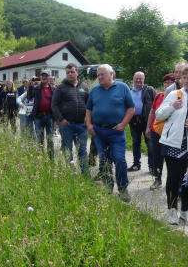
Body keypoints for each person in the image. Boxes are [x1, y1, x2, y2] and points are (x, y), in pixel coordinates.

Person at [86, 64, 135, 202]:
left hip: (116, 132)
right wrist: (89, 124)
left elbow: (131, 107)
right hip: (99, 132)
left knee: (119, 160)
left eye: (102, 74)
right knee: (104, 160)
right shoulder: (95, 90)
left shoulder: (123, 87)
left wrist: (123, 124)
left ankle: (123, 189)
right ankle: (108, 186)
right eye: (98, 75)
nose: (100, 77)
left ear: (111, 73)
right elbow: (89, 108)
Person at [155, 65, 188, 225]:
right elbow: (159, 114)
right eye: (185, 76)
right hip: (173, 144)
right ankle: (172, 210)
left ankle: (185, 211)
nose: (187, 80)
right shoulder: (176, 94)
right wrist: (172, 106)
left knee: (187, 179)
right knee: (174, 177)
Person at [51, 63, 89, 174]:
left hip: (82, 125)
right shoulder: (61, 87)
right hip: (67, 125)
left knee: (82, 150)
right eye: (68, 72)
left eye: (72, 72)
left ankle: (85, 174)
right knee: (67, 150)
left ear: (77, 73)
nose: (70, 74)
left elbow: (89, 104)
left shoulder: (84, 87)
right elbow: (54, 104)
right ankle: (71, 173)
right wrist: (61, 119)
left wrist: (88, 119)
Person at [145, 74, 175, 190]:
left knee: (171, 158)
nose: (168, 85)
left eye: (170, 82)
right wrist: (148, 127)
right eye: (166, 82)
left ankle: (173, 183)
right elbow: (152, 112)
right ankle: (158, 179)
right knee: (157, 156)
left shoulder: (179, 96)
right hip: (156, 131)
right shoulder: (158, 96)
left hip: (171, 133)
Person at [128, 72, 156, 173]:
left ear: (144, 79)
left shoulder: (149, 90)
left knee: (150, 144)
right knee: (136, 143)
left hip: (147, 121)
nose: (138, 80)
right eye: (136, 78)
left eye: (140, 78)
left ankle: (152, 167)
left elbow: (156, 104)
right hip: (134, 121)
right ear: (133, 79)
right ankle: (136, 164)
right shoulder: (129, 90)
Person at [29, 70, 56, 160]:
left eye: (46, 76)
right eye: (42, 76)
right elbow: (29, 96)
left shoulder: (53, 88)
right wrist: (30, 85)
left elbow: (56, 102)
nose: (44, 77)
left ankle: (51, 159)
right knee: (40, 139)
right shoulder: (36, 87)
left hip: (50, 117)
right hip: (39, 117)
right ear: (40, 77)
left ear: (49, 77)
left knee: (50, 140)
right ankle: (40, 158)